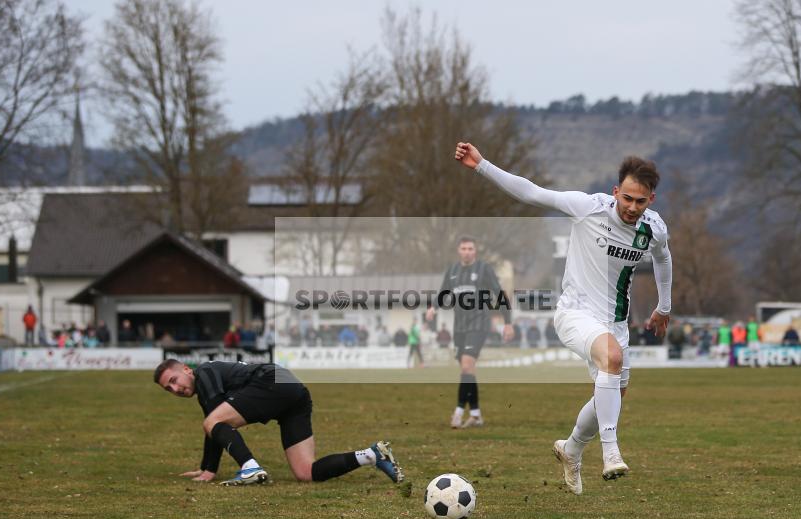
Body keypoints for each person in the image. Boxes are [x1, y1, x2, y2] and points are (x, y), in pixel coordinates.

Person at [454, 141, 671, 492]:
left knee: (613, 394)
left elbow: (663, 258)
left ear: (651, 201)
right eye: (626, 198)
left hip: (614, 323)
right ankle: (611, 451)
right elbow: (532, 192)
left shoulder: (654, 228)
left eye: (640, 201)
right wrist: (481, 165)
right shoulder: (587, 208)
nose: (631, 207)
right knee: (611, 361)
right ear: (616, 191)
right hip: (575, 313)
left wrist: (665, 306)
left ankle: (571, 450)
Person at [154, 359, 403, 486]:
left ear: (187, 369)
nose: (175, 388)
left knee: (212, 420)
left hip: (272, 380)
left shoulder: (205, 373)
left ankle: (250, 469)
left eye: (175, 379)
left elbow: (214, 423)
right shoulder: (207, 384)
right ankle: (372, 455)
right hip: (294, 391)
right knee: (306, 473)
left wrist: (209, 470)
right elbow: (216, 426)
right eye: (168, 388)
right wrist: (207, 467)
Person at [426, 235, 514, 429]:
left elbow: (499, 294)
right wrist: (433, 308)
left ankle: (458, 412)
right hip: (459, 327)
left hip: (479, 323)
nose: (467, 252)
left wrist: (507, 322)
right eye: (464, 248)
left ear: (475, 251)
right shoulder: (453, 271)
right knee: (468, 371)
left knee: (466, 366)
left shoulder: (484, 269)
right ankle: (475, 414)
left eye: (470, 249)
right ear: (459, 251)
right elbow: (443, 293)